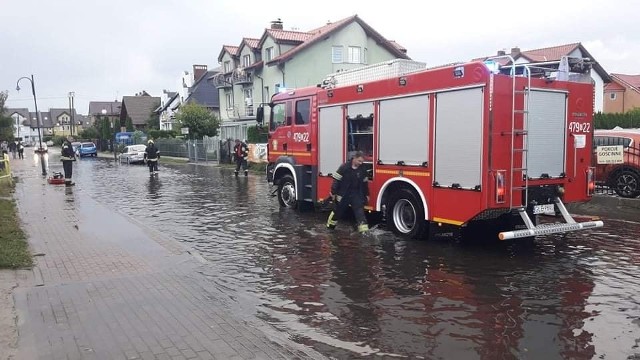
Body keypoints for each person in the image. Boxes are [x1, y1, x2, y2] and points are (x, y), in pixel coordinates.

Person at [326, 151, 370, 233]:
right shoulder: (344, 167)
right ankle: (330, 228)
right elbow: (336, 180)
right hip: (343, 194)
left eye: (362, 162)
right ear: (354, 158)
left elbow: (365, 183)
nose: (360, 163)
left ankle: (364, 232)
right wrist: (333, 192)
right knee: (337, 212)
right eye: (359, 161)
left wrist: (367, 194)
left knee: (360, 213)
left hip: (355, 194)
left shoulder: (363, 169)